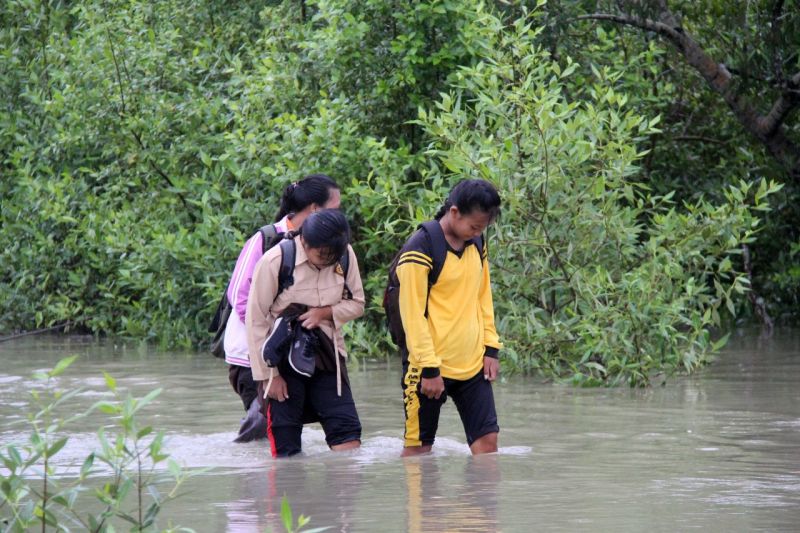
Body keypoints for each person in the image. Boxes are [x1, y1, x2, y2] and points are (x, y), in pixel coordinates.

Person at [224, 174, 341, 442]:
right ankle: (253, 478)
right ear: (314, 209)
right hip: (252, 356)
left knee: (283, 428)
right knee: (263, 429)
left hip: (294, 355)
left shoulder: (321, 246)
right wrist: (273, 342)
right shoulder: (265, 239)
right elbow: (239, 297)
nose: (339, 217)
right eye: (334, 209)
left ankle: (282, 479)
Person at [246, 209, 365, 457]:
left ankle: (344, 495)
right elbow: (256, 321)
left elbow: (357, 303)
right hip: (282, 357)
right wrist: (270, 376)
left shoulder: (345, 256)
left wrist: (325, 313)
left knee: (348, 437)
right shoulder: (275, 261)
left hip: (328, 354)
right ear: (304, 241)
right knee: (286, 446)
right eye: (322, 255)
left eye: (335, 255)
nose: (328, 261)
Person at [396, 179, 502, 456]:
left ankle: (480, 502)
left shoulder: (476, 243)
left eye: (482, 228)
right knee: (419, 454)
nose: (477, 232)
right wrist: (429, 368)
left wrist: (491, 348)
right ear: (454, 212)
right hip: (429, 370)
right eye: (474, 226)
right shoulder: (419, 249)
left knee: (488, 448)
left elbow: (483, 296)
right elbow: (412, 315)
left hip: (473, 365)